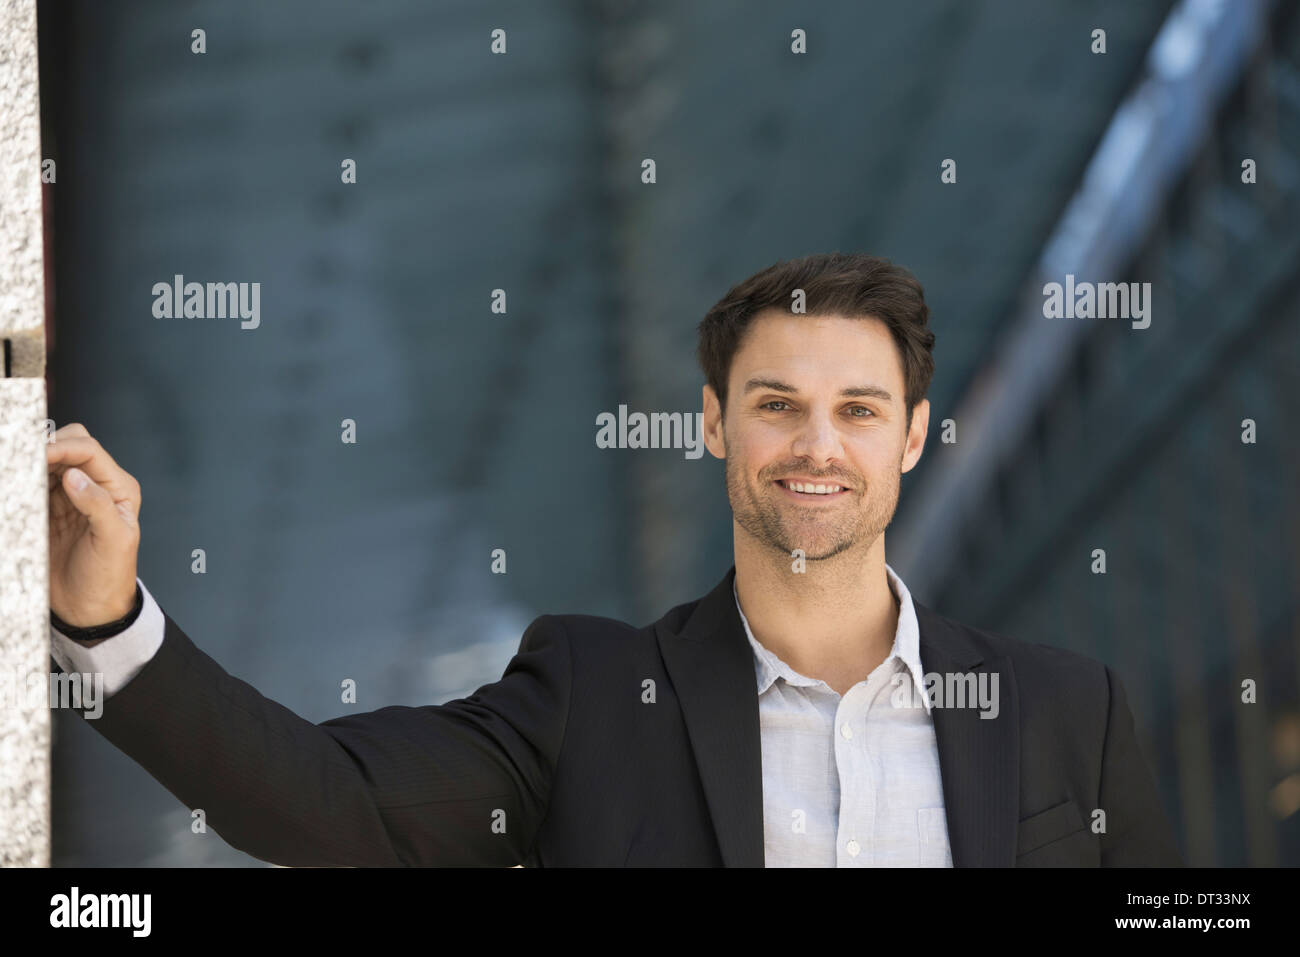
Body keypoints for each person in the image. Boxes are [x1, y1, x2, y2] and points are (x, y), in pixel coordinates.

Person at [46, 252, 1182, 867]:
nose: (818, 447)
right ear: (712, 424)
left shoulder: (1059, 712)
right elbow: (333, 808)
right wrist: (106, 626)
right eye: (776, 405)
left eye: (860, 410)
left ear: (914, 435)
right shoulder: (592, 701)